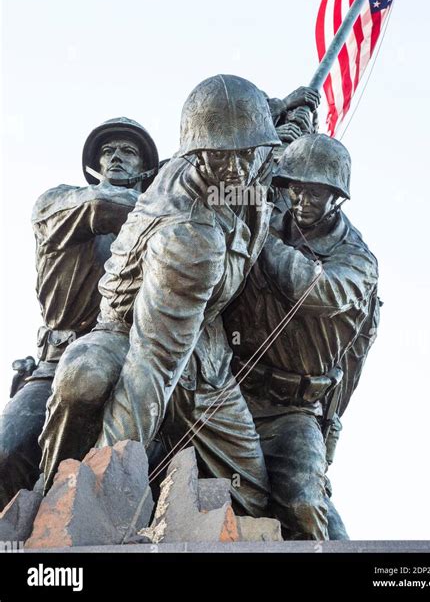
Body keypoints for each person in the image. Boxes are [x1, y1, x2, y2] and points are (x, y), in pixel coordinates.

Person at [39, 74, 282, 518]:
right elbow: (150, 367)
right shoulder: (189, 236)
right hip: (135, 337)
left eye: (248, 154)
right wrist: (103, 490)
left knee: (252, 495)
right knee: (85, 378)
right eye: (223, 158)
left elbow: (251, 140)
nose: (238, 170)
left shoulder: (238, 162)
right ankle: (56, 497)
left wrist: (282, 110)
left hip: (207, 357)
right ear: (198, 153)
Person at [223, 133, 380, 539]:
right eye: (295, 188)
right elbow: (215, 185)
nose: (303, 200)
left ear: (336, 197)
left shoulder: (356, 258)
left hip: (292, 408)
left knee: (303, 503)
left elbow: (320, 290)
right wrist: (274, 127)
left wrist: (260, 239)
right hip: (228, 389)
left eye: (316, 192)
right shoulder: (265, 210)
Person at [0, 118, 158, 510]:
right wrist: (176, 194)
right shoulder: (61, 203)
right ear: (95, 166)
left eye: (129, 152)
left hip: (137, 368)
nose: (117, 158)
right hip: (55, 367)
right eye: (109, 152)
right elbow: (103, 205)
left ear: (146, 170)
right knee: (6, 454)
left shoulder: (164, 224)